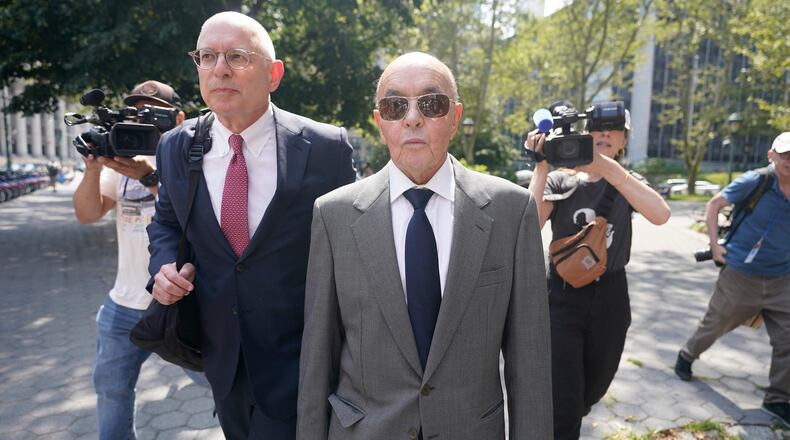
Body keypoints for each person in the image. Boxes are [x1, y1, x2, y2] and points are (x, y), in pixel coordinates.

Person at [297, 52, 553, 440]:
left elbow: (530, 363)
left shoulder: (511, 211)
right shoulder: (334, 215)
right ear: (380, 121)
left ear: (455, 117)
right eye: (395, 105)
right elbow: (317, 357)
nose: (412, 118)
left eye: (431, 104)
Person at [147, 11, 356, 440]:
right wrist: (163, 267)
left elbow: (351, 246)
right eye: (207, 56)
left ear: (273, 74)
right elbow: (166, 222)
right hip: (222, 358)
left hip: (302, 361)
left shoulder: (324, 148)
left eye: (237, 56)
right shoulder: (176, 146)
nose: (219, 68)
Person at [526, 104, 670, 440]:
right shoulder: (561, 181)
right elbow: (528, 225)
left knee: (595, 385)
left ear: (623, 141)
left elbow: (661, 215)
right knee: (564, 399)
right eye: (597, 128)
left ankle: (575, 407)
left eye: (613, 129)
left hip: (611, 296)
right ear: (584, 134)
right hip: (560, 296)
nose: (604, 134)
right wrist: (541, 167)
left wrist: (606, 167)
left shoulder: (627, 182)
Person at [72, 80, 203, 439]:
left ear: (177, 118)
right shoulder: (121, 166)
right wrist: (94, 168)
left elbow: (195, 216)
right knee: (112, 393)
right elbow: (87, 214)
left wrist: (151, 175)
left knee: (225, 387)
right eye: (134, 112)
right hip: (123, 307)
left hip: (184, 303)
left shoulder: (197, 158)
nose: (141, 121)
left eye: (150, 114)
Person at [675, 132, 790, 427]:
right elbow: (714, 204)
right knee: (715, 324)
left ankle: (777, 398)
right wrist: (715, 246)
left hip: (783, 278)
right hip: (741, 275)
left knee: (788, 339)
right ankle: (688, 355)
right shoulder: (757, 181)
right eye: (785, 154)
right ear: (772, 155)